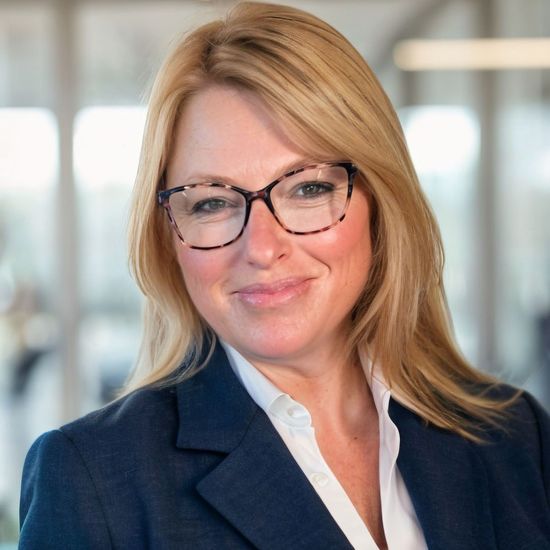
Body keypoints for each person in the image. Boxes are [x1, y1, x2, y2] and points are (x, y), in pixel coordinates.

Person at [19, 2, 550, 549]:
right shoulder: (94, 480)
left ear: (381, 202)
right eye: (211, 203)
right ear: (168, 236)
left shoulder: (514, 438)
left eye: (308, 189)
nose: (263, 247)